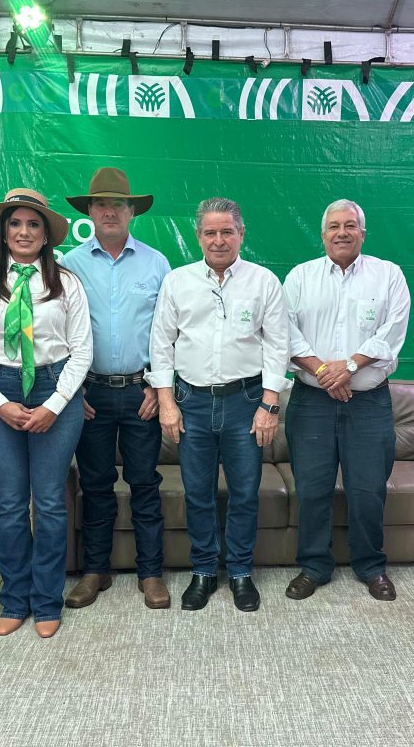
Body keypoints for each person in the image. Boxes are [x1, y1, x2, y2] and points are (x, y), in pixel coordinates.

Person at [0, 188, 92, 639]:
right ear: (2, 232)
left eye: (34, 224)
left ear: (46, 234)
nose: (24, 232)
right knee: (12, 505)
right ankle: (15, 599)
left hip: (56, 389)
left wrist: (54, 405)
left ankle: (47, 601)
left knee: (50, 503)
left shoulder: (67, 283)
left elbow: (82, 351)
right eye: (15, 223)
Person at [147, 197, 289, 612]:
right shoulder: (178, 281)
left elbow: (278, 345)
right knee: (198, 493)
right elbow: (161, 343)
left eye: (227, 231)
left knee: (244, 492)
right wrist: (166, 402)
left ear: (241, 234)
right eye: (210, 232)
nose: (219, 240)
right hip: (190, 401)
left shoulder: (264, 282)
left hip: (246, 401)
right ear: (198, 236)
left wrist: (269, 405)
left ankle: (241, 572)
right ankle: (205, 571)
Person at [282, 199, 410, 602]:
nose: (342, 232)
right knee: (312, 489)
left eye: (350, 225)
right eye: (334, 226)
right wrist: (324, 371)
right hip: (311, 402)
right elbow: (285, 333)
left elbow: (393, 331)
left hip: (368, 403)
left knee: (368, 490)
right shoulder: (300, 277)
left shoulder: (388, 275)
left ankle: (371, 566)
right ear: (323, 235)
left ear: (362, 233)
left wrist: (351, 366)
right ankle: (313, 566)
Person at [61, 168, 171, 610]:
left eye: (118, 204)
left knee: (144, 483)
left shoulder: (156, 263)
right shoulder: (69, 265)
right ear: (89, 211)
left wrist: (158, 387)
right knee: (96, 484)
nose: (110, 211)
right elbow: (59, 333)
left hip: (142, 393)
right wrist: (73, 392)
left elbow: (168, 332)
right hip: (90, 395)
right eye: (101, 204)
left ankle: (151, 573)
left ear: (132, 211)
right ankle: (95, 571)